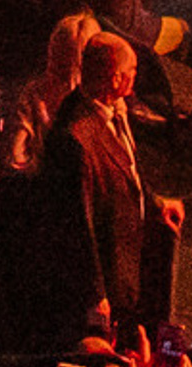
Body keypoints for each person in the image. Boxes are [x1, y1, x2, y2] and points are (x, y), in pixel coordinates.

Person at [46, 33, 182, 343]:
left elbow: (130, 169)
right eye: (132, 70)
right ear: (116, 77)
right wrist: (95, 293)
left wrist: (156, 204)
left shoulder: (116, 113)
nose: (136, 76)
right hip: (109, 277)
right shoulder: (77, 138)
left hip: (132, 267)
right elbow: (79, 223)